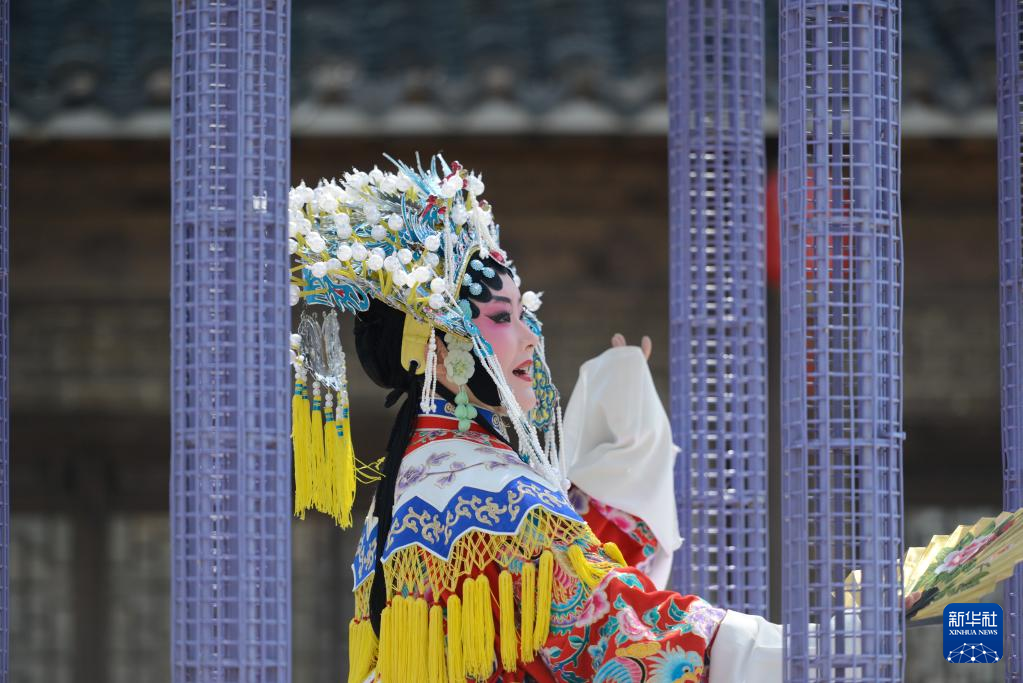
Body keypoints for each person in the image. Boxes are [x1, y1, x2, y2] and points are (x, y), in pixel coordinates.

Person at [288, 155, 783, 683]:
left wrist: (621, 441)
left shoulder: (412, 484)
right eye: (502, 317)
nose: (530, 338)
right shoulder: (497, 491)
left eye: (523, 315)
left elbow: (556, 595)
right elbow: (606, 633)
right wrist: (770, 650)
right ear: (439, 352)